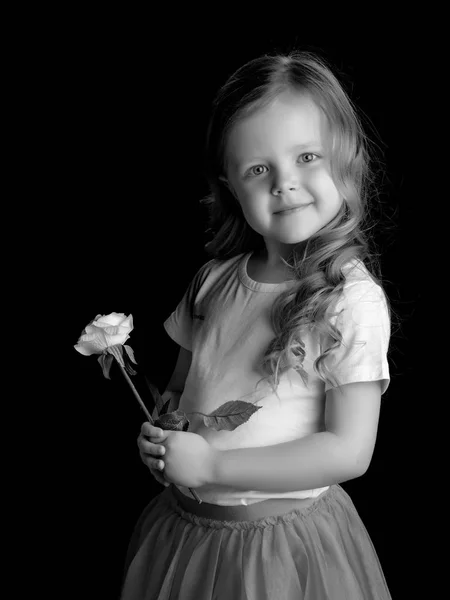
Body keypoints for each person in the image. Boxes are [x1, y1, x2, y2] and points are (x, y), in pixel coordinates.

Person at [120, 50, 393, 599]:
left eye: (308, 156)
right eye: (259, 168)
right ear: (230, 183)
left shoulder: (349, 301)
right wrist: (161, 437)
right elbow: (179, 390)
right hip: (187, 535)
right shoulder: (214, 282)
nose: (285, 184)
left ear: (346, 157)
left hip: (280, 548)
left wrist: (214, 464)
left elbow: (349, 450)